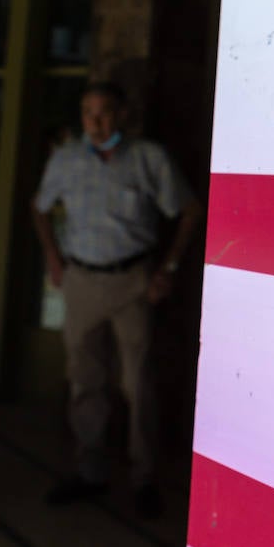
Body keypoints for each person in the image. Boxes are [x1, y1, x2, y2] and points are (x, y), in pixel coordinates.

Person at [32, 82, 201, 518]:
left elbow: (188, 210)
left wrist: (168, 269)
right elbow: (39, 207)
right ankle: (90, 470)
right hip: (82, 278)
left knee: (138, 381)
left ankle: (144, 477)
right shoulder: (66, 159)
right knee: (84, 377)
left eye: (104, 112)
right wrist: (52, 256)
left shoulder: (149, 158)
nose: (95, 121)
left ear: (122, 115)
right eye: (88, 113)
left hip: (133, 280)